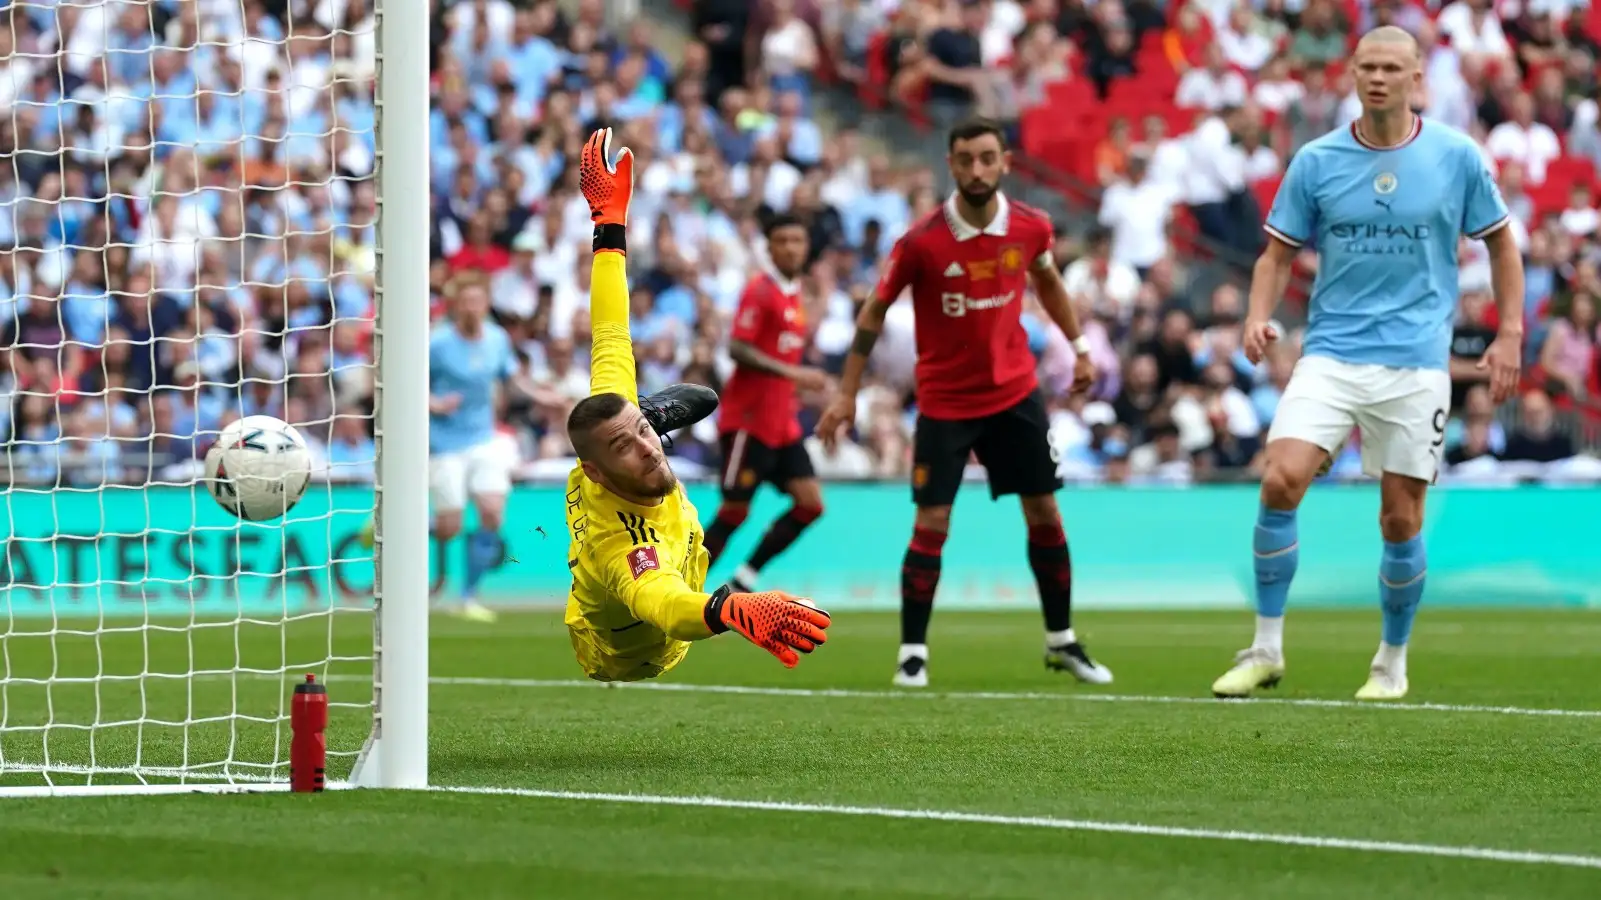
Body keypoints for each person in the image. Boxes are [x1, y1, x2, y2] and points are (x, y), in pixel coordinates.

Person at [1213, 26, 1524, 702]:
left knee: (1398, 519)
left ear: (1416, 78)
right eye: (1366, 67)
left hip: (1415, 363)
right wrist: (1255, 314)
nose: (1376, 78)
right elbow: (1274, 255)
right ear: (1350, 74)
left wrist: (1509, 334)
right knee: (1279, 480)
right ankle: (1264, 648)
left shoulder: (1454, 156)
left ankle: (1389, 662)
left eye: (1390, 67)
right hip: (1330, 352)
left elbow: (1501, 245)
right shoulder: (1316, 161)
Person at [816, 117, 1111, 689]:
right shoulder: (921, 241)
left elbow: (1047, 279)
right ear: (950, 165)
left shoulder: (1031, 228)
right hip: (946, 404)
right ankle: (912, 653)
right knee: (932, 522)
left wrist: (1078, 347)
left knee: (1045, 513)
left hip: (1016, 395)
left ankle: (1061, 641)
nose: (977, 170)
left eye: (986, 158)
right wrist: (847, 391)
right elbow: (874, 311)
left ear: (1005, 162)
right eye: (966, 160)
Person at [564, 128, 832, 682]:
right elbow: (665, 604)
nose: (649, 450)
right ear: (594, 469)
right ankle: (641, 425)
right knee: (714, 487)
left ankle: (647, 414)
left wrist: (607, 227)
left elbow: (610, 329)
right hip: (632, 655)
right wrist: (727, 609)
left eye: (642, 432)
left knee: (664, 398)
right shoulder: (625, 547)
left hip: (653, 514)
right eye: (628, 443)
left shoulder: (612, 417)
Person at [703, 213, 831, 591]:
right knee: (734, 511)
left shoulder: (794, 294)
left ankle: (743, 580)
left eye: (797, 240)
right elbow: (737, 348)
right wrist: (795, 375)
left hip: (781, 424)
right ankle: (678, 588)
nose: (791, 248)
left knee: (810, 504)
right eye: (783, 241)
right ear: (769, 248)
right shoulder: (760, 290)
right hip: (748, 422)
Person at [425, 274, 518, 623]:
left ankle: (468, 596)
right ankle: (382, 528)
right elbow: (410, 382)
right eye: (466, 301)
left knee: (492, 512)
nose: (472, 308)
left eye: (478, 301)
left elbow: (510, 379)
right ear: (455, 305)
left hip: (484, 438)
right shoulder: (438, 344)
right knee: (449, 525)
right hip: (445, 442)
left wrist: (548, 397)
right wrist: (433, 404)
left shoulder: (497, 339)